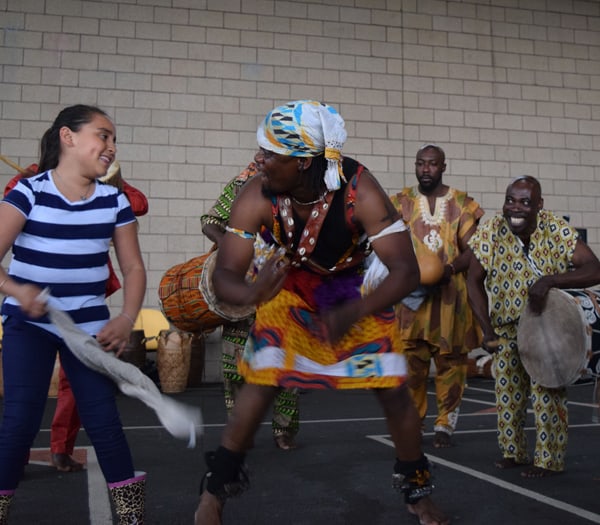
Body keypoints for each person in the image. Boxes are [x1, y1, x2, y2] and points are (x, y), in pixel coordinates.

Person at [193, 100, 449, 525]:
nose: (261, 159)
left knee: (393, 387)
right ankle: (214, 490)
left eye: (272, 154)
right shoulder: (255, 193)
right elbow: (225, 275)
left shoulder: (359, 190)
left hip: (354, 289)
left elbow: (405, 271)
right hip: (288, 286)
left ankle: (417, 490)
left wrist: (355, 311)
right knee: (261, 378)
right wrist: (253, 290)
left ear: (304, 163)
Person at [0, 104, 147, 522]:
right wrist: (16, 289)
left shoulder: (114, 200)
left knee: (104, 423)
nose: (111, 146)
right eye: (103, 135)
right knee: (19, 424)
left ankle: (132, 518)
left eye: (114, 139)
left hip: (88, 327)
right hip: (30, 325)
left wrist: (125, 317)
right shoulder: (29, 191)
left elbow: (133, 267)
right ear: (68, 137)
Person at [467, 175, 600, 478]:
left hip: (545, 326)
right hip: (505, 328)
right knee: (507, 394)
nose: (515, 207)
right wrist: (486, 329)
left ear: (539, 205)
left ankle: (548, 461)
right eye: (510, 200)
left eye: (525, 202)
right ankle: (513, 452)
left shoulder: (555, 229)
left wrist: (551, 280)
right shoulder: (491, 230)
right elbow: (472, 279)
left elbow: (594, 268)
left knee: (547, 394)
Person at [200, 159, 300, 450]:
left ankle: (284, 430)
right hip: (241, 289)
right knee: (235, 369)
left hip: (282, 287)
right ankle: (240, 432)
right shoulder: (240, 185)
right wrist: (232, 247)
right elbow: (210, 222)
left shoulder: (297, 192)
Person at [391, 144, 483, 448]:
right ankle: (414, 420)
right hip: (412, 299)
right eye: (420, 163)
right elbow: (386, 244)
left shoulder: (462, 204)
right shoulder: (400, 203)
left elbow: (474, 251)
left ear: (443, 166)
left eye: (431, 164)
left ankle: (446, 422)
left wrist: (449, 268)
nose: (425, 169)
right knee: (410, 365)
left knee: (451, 364)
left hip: (449, 298)